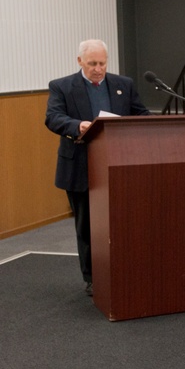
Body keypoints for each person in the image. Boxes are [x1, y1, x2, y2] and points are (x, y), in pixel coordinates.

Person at [44, 39, 150, 296]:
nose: (98, 68)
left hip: (119, 165)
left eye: (102, 63)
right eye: (92, 63)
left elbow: (141, 114)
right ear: (80, 61)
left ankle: (123, 268)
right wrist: (77, 125)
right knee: (88, 225)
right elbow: (53, 117)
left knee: (122, 221)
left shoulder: (123, 84)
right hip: (81, 165)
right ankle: (93, 277)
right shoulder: (62, 86)